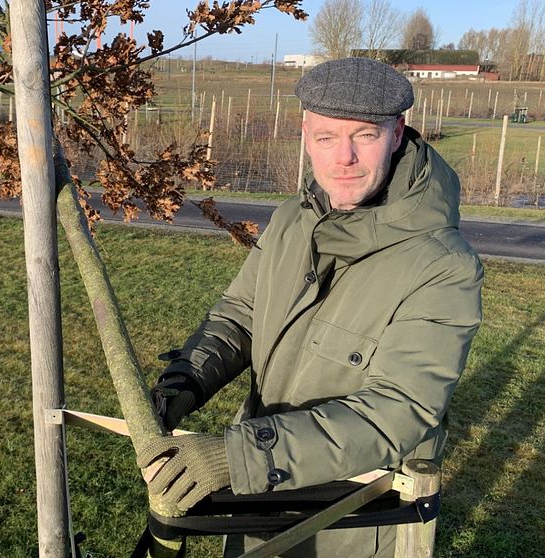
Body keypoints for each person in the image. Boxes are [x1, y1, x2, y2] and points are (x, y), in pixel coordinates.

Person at [136, 57, 484, 557]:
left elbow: (396, 413)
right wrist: (182, 384)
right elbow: (239, 316)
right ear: (304, 133)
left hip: (354, 518)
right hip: (262, 499)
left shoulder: (444, 266)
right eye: (325, 137)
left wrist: (237, 458)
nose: (342, 157)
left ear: (397, 132)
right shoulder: (291, 220)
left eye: (363, 135)